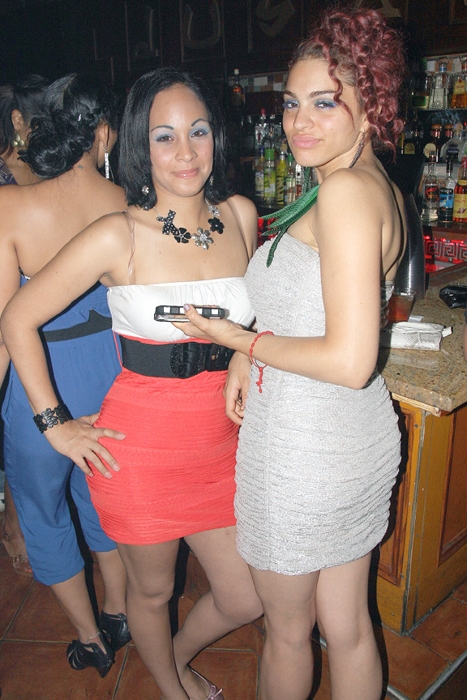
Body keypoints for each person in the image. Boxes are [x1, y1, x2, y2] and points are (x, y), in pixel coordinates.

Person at [1, 67, 262, 700]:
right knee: (153, 590)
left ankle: (173, 654)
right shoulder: (119, 232)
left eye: (198, 131)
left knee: (245, 596)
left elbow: (260, 310)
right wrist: (55, 424)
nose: (185, 151)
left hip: (221, 447)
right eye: (163, 136)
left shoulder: (241, 216)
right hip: (139, 452)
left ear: (217, 136)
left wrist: (241, 354)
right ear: (139, 146)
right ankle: (171, 686)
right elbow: (17, 317)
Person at [174, 8, 406, 700]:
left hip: (303, 450)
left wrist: (239, 341)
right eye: (291, 103)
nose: (298, 122)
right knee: (349, 627)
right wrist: (250, 357)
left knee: (286, 630)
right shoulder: (365, 184)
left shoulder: (344, 193)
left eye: (324, 103)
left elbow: (349, 359)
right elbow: (319, 316)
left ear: (371, 108)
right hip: (349, 436)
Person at [0, 73, 130, 678]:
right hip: (112, 376)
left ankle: (90, 638)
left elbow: (5, 327)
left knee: (42, 512)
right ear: (102, 133)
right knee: (103, 497)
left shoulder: (8, 208)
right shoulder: (131, 201)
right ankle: (120, 613)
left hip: (39, 387)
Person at [0, 73, 50, 576]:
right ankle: (14, 520)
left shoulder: (51, 168)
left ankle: (18, 515)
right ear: (19, 121)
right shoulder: (5, 178)